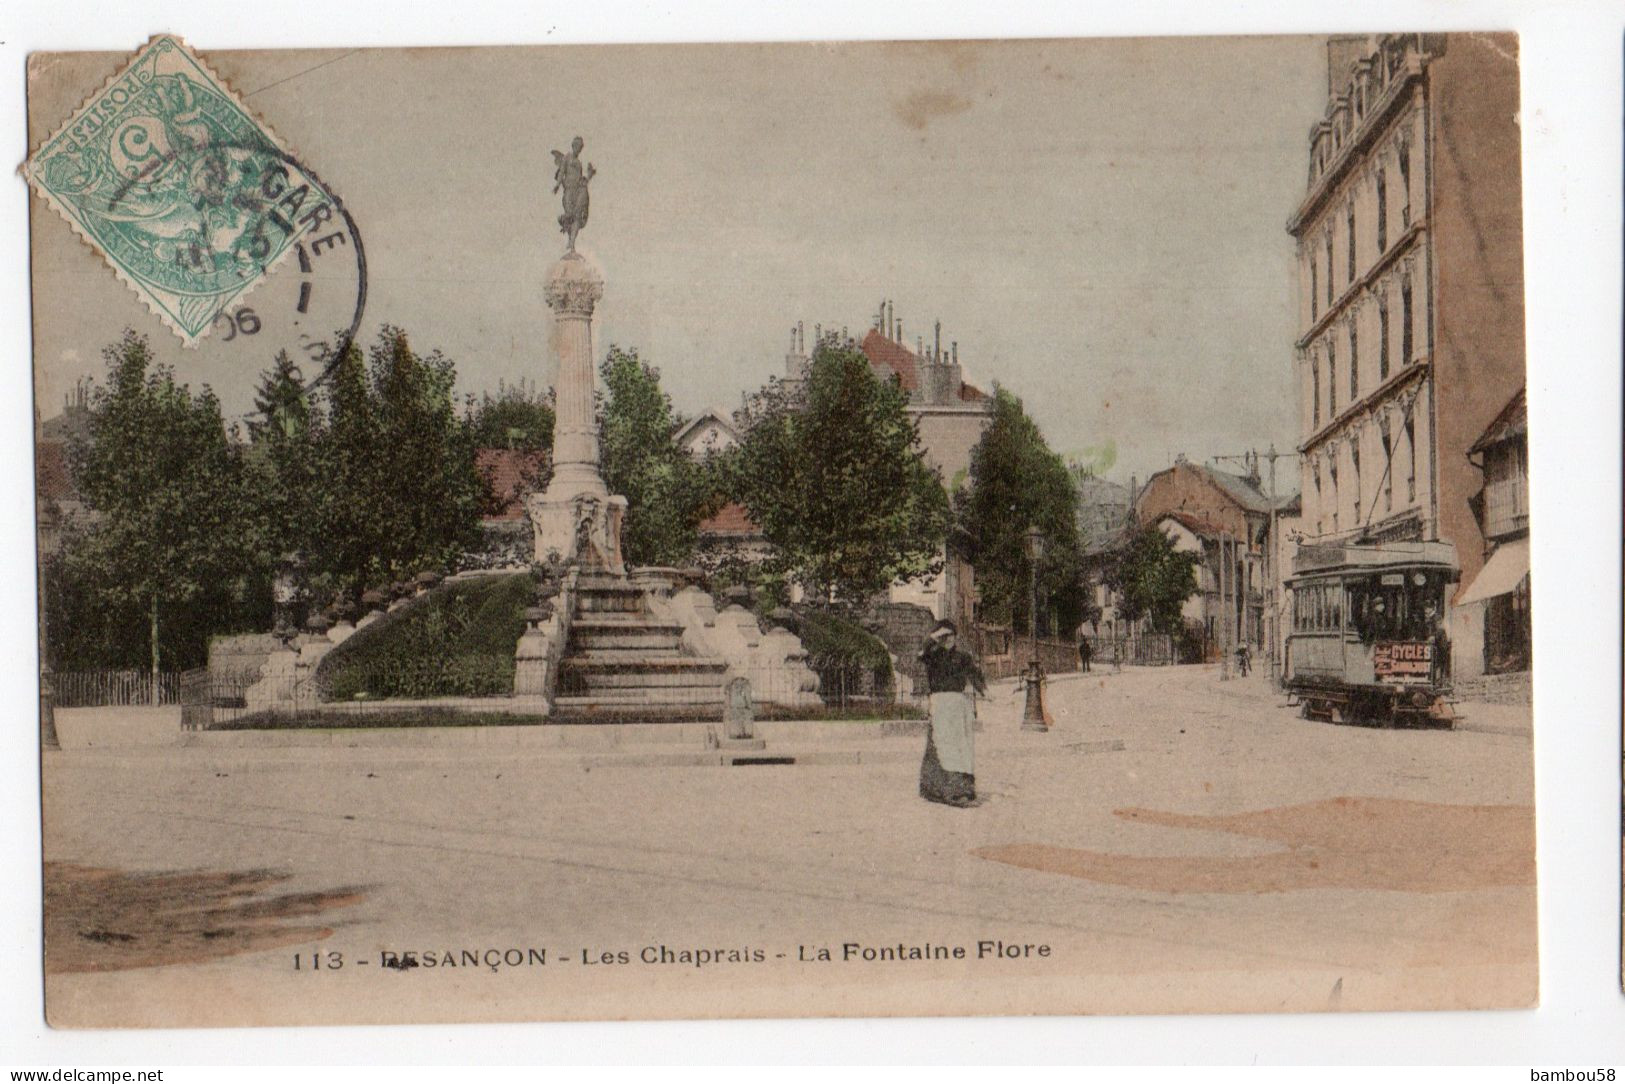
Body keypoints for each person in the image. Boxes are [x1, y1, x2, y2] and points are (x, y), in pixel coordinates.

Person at [917, 620, 987, 807]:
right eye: (944, 636)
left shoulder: (963, 657)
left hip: (958, 705)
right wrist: (933, 637)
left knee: (961, 746)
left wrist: (983, 691)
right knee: (942, 744)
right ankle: (942, 790)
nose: (948, 639)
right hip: (940, 704)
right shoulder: (932, 656)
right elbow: (921, 653)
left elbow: (975, 675)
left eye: (951, 635)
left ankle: (963, 789)